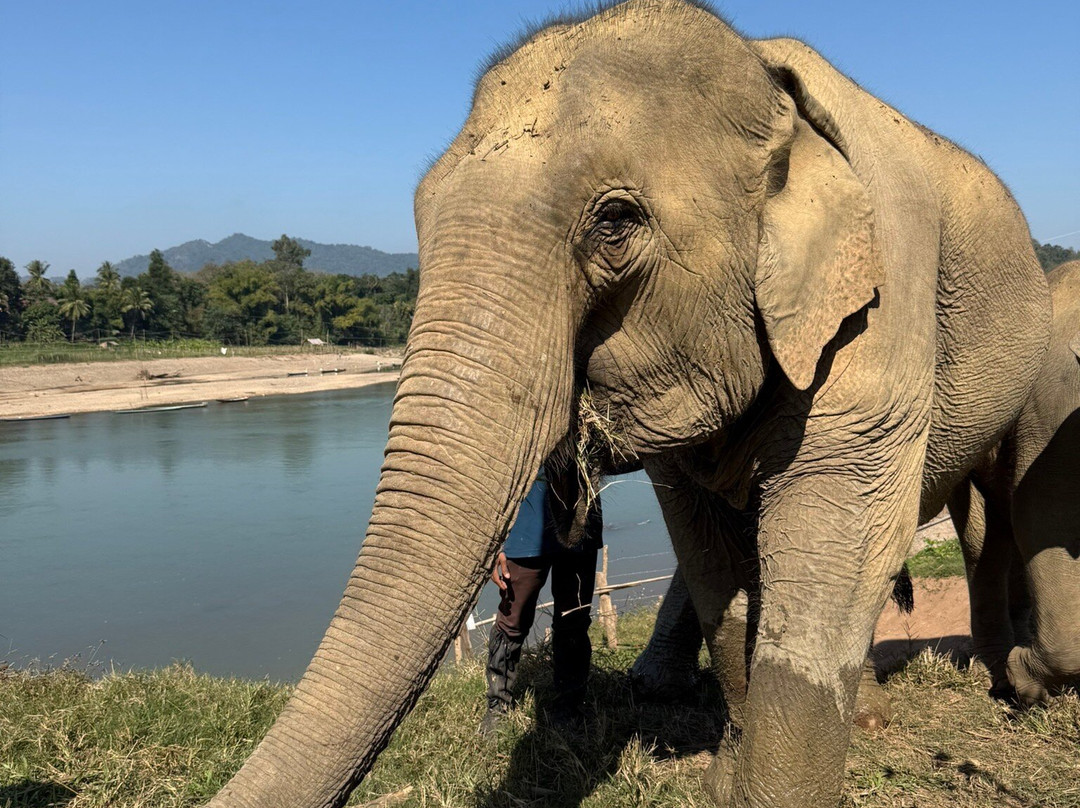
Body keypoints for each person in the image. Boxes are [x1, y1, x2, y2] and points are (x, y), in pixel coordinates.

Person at [480, 469, 602, 734]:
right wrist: (492, 541)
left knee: (574, 620)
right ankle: (498, 706)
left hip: (581, 521)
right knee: (512, 620)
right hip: (523, 526)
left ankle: (569, 707)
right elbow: (488, 466)